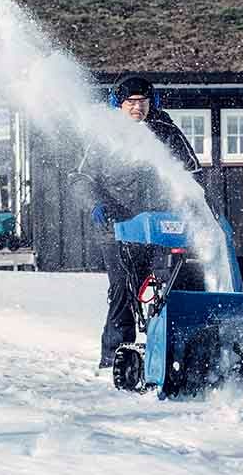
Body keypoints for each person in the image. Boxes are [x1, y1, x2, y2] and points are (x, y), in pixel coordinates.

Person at [83, 76, 204, 368]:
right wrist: (96, 203)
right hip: (118, 228)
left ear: (153, 103)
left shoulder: (166, 131)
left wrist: (196, 203)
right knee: (123, 287)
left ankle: (173, 351)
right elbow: (82, 177)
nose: (137, 108)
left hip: (164, 227)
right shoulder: (103, 135)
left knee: (178, 283)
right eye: (131, 102)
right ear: (118, 104)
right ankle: (115, 356)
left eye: (143, 102)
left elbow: (192, 173)